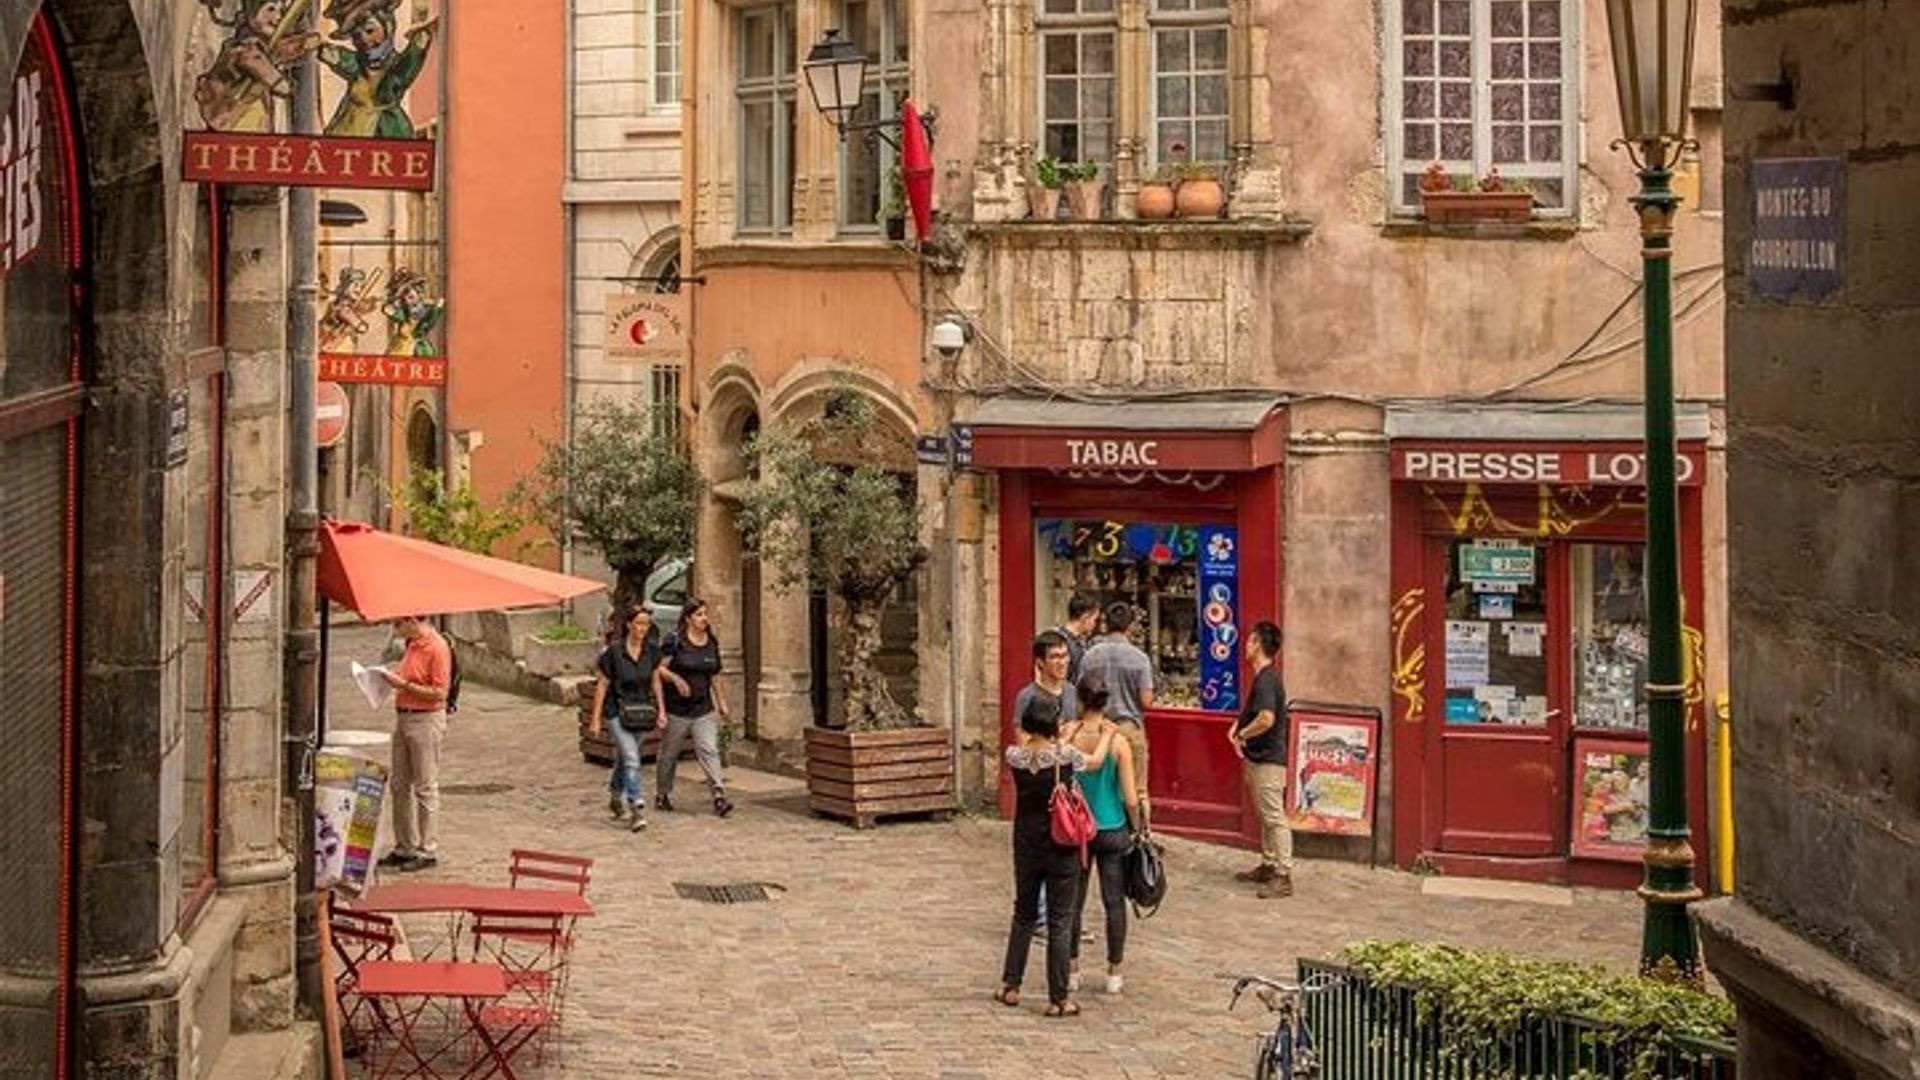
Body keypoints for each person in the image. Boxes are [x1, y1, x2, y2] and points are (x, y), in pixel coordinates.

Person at [995, 692, 1085, 1017]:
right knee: (1061, 919)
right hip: (1061, 842)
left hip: (1026, 841)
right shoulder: (1066, 758)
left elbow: (1022, 748)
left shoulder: (1015, 757)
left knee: (1024, 912)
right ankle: (1059, 997)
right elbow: (1088, 762)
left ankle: (1010, 984)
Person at [1063, 675, 1140, 996]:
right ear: (1105, 702)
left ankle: (1072, 969)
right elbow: (1131, 796)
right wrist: (1137, 824)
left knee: (1073, 902)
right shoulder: (1118, 742)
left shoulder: (1069, 735)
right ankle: (1114, 971)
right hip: (1111, 826)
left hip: (1077, 829)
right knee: (1113, 902)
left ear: (1080, 701)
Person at [1014, 631, 1077, 939]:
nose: (1062, 662)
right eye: (1055, 657)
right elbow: (1023, 744)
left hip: (1066, 785)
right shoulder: (1027, 697)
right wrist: (1059, 740)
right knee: (1040, 843)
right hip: (1038, 790)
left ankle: (1062, 915)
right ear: (1039, 662)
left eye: (1065, 656)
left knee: (1066, 844)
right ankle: (1039, 917)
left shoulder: (1072, 694)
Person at [378, 615, 451, 872]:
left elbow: (440, 692)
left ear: (412, 620)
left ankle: (427, 849)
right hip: (404, 717)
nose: (394, 628)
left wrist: (404, 685)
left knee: (425, 785)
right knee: (399, 785)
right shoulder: (412, 645)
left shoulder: (437, 647)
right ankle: (404, 845)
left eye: (397, 624)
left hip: (426, 720)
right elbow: (405, 675)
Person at [589, 604, 666, 833]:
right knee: (632, 758)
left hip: (642, 712)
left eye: (646, 624)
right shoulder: (614, 652)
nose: (643, 628)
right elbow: (602, 685)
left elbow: (655, 682)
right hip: (617, 711)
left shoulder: (652, 651)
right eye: (639, 623)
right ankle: (636, 806)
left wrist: (661, 710)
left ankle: (615, 795)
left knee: (625, 759)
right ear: (629, 625)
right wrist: (595, 718)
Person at [654, 598, 734, 818]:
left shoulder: (711, 642)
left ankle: (719, 795)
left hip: (703, 708)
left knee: (709, 750)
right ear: (688, 618)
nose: (704, 618)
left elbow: (715, 675)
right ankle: (662, 793)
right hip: (676, 709)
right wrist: (676, 679)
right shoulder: (675, 641)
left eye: (705, 614)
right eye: (698, 614)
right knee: (669, 755)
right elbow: (658, 669)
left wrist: (722, 703)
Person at [1230, 621, 1292, 898]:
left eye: (1249, 641)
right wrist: (1239, 725)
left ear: (1257, 644)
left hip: (1268, 758)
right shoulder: (1266, 677)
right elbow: (1259, 714)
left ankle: (1283, 873)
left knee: (1274, 816)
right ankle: (1269, 864)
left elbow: (1267, 718)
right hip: (1260, 756)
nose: (1245, 645)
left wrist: (1243, 733)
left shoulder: (1266, 678)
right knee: (1266, 815)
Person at [1078, 602, 1155, 812]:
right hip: (1128, 728)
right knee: (1138, 790)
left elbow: (1081, 690)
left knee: (1100, 786)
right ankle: (1141, 835)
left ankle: (1098, 827)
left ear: (1105, 624)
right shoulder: (1140, 659)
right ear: (1130, 626)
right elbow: (1146, 701)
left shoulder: (1090, 655)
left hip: (1097, 726)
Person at [1052, 592, 1100, 682]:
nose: (1095, 625)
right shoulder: (1061, 642)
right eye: (1094, 620)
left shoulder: (1079, 642)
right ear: (1085, 617)